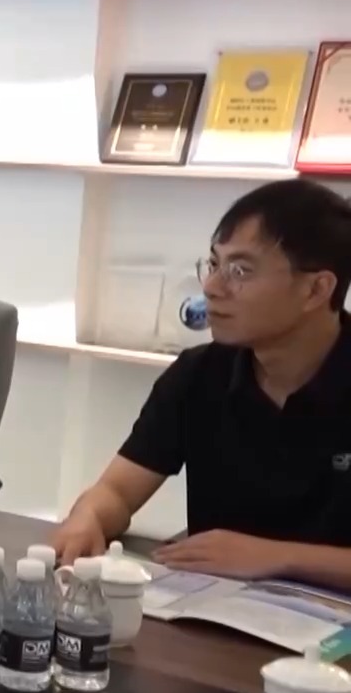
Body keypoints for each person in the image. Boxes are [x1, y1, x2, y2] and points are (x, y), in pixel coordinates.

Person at [52, 180, 351, 590]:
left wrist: (274, 557)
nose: (211, 287)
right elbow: (117, 491)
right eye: (213, 264)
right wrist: (88, 516)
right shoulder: (199, 373)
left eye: (240, 271)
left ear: (316, 289)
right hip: (211, 607)